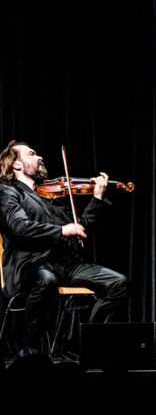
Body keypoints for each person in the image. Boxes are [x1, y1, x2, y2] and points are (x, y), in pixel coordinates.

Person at [0, 141, 128, 354]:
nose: (40, 157)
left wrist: (97, 198)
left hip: (66, 264)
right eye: (32, 154)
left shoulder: (52, 199)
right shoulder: (9, 192)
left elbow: (79, 228)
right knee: (46, 280)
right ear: (16, 165)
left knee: (118, 283)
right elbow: (18, 226)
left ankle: (88, 344)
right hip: (32, 263)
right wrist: (61, 231)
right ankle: (30, 349)